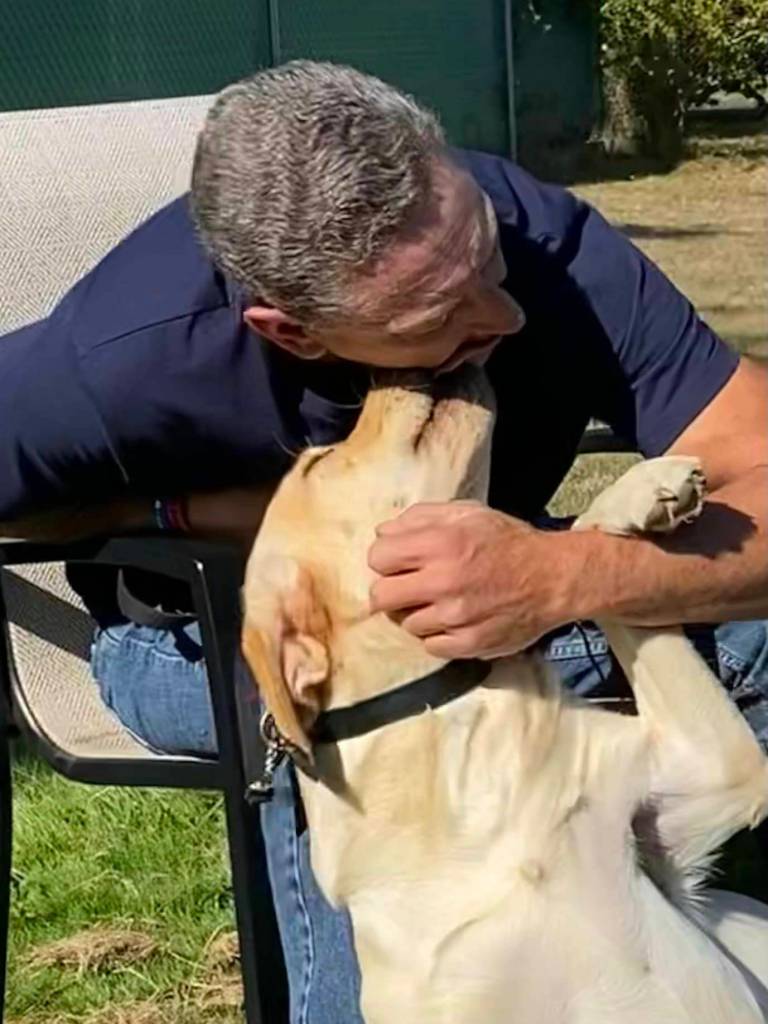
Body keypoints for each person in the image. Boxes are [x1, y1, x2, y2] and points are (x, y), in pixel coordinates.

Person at [1, 60, 766, 1022]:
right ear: (294, 332)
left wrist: (570, 571)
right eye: (439, 320)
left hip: (500, 579)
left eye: (485, 261)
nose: (505, 315)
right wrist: (176, 517)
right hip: (198, 632)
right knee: (351, 730)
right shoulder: (123, 357)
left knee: (743, 616)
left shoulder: (537, 238)